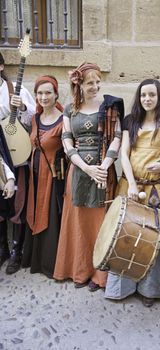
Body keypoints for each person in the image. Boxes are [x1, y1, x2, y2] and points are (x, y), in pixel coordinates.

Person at [104, 79, 160, 307]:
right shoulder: (131, 121)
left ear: (159, 97)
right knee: (127, 237)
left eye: (152, 95)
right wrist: (133, 186)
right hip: (130, 186)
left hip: (156, 190)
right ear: (139, 97)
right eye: (143, 95)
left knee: (152, 239)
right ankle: (123, 287)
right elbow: (125, 154)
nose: (147, 99)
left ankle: (151, 289)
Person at [53, 62, 124, 291]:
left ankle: (99, 275)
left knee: (100, 224)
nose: (95, 86)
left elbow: (116, 137)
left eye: (97, 81)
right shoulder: (69, 110)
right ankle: (80, 271)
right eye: (90, 82)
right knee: (80, 223)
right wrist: (86, 167)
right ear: (80, 85)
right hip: (80, 171)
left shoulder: (109, 106)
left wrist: (103, 166)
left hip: (104, 171)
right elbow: (66, 140)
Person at [21, 75, 66, 278]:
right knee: (34, 212)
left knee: (50, 219)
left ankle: (49, 265)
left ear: (56, 94)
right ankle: (34, 260)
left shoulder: (64, 120)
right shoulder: (35, 119)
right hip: (35, 177)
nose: (43, 97)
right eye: (39, 93)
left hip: (54, 179)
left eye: (48, 92)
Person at [0, 51, 35, 274]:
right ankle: (2, 247)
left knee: (19, 202)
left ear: (1, 66)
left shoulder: (16, 89)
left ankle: (17, 250)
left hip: (16, 151)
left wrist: (21, 106)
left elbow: (35, 117)